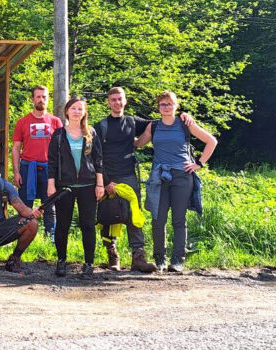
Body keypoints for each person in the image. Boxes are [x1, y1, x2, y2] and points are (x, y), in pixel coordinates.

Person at [93, 87, 194, 272]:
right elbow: (95, 156)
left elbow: (162, 121)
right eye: (113, 99)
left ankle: (138, 257)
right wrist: (105, 182)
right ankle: (112, 254)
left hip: (129, 175)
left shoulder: (133, 122)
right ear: (108, 102)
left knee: (134, 215)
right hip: (108, 177)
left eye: (120, 99)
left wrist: (183, 115)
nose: (117, 102)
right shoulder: (101, 126)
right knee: (107, 215)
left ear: (125, 101)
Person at [135, 91, 217, 273]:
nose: (166, 107)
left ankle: (178, 260)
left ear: (176, 105)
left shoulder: (185, 124)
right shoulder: (153, 126)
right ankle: (160, 259)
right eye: (162, 104)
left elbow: (211, 141)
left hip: (182, 176)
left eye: (169, 104)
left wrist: (199, 164)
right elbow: (138, 143)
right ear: (158, 107)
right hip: (159, 178)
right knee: (158, 220)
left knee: (179, 220)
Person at [47, 97, 104, 278]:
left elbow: (98, 160)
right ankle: (62, 261)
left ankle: (88, 264)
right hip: (65, 186)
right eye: (73, 108)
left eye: (80, 109)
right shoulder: (58, 135)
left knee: (88, 225)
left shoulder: (91, 133)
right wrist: (51, 184)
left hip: (88, 185)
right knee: (62, 225)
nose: (76, 112)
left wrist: (100, 184)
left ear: (84, 112)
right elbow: (52, 162)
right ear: (67, 111)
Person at [12, 85, 63, 240]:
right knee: (25, 205)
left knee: (49, 205)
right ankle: (23, 236)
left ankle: (50, 238)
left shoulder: (56, 122)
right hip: (28, 167)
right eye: (38, 96)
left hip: (49, 169)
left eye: (44, 97)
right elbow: (15, 148)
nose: (41, 99)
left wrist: (60, 172)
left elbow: (61, 149)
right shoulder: (22, 122)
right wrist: (16, 172)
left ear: (48, 99)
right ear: (32, 99)